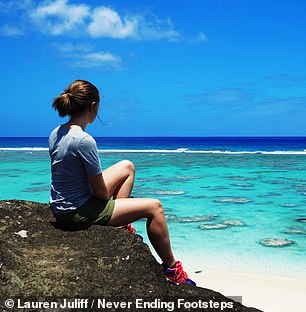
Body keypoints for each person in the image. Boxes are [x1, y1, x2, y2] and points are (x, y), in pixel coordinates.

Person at [48, 79, 196, 286]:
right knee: (155, 208)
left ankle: (121, 223)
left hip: (62, 206)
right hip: (77, 212)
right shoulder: (84, 141)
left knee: (127, 166)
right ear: (93, 106)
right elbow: (100, 194)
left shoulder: (57, 132)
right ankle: (171, 268)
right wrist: (125, 204)